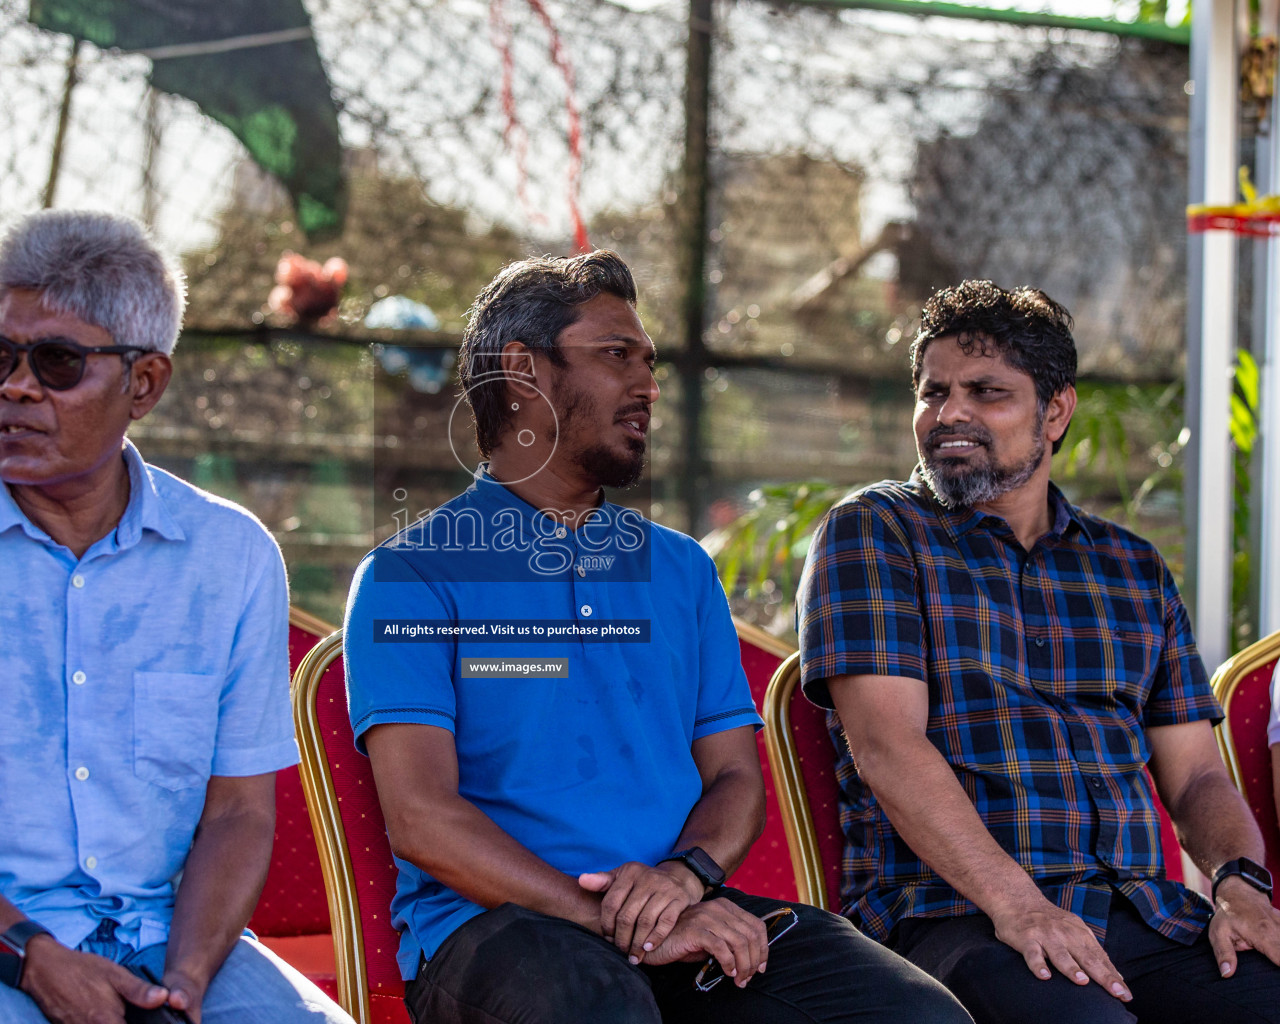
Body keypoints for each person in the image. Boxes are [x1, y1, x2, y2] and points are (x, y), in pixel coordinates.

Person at [343, 250, 973, 1024]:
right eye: (616, 356)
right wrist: (623, 919)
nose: (647, 386)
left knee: (914, 1016)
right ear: (522, 371)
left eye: (648, 362)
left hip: (684, 907)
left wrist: (682, 880)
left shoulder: (679, 571)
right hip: (498, 931)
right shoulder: (410, 574)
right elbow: (424, 818)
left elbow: (737, 783)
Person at [0, 210, 350, 1024]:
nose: (14, 388)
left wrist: (187, 986)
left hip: (163, 940)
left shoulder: (229, 558)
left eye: (56, 362)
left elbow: (237, 815)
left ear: (145, 384)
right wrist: (33, 958)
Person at [797, 280, 1280, 1024]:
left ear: (1055, 411)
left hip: (1143, 916)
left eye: (987, 392)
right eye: (934, 393)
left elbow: (1196, 779)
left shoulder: (1132, 566)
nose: (951, 413)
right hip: (951, 918)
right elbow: (888, 747)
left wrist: (1240, 886)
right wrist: (1021, 906)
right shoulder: (876, 532)